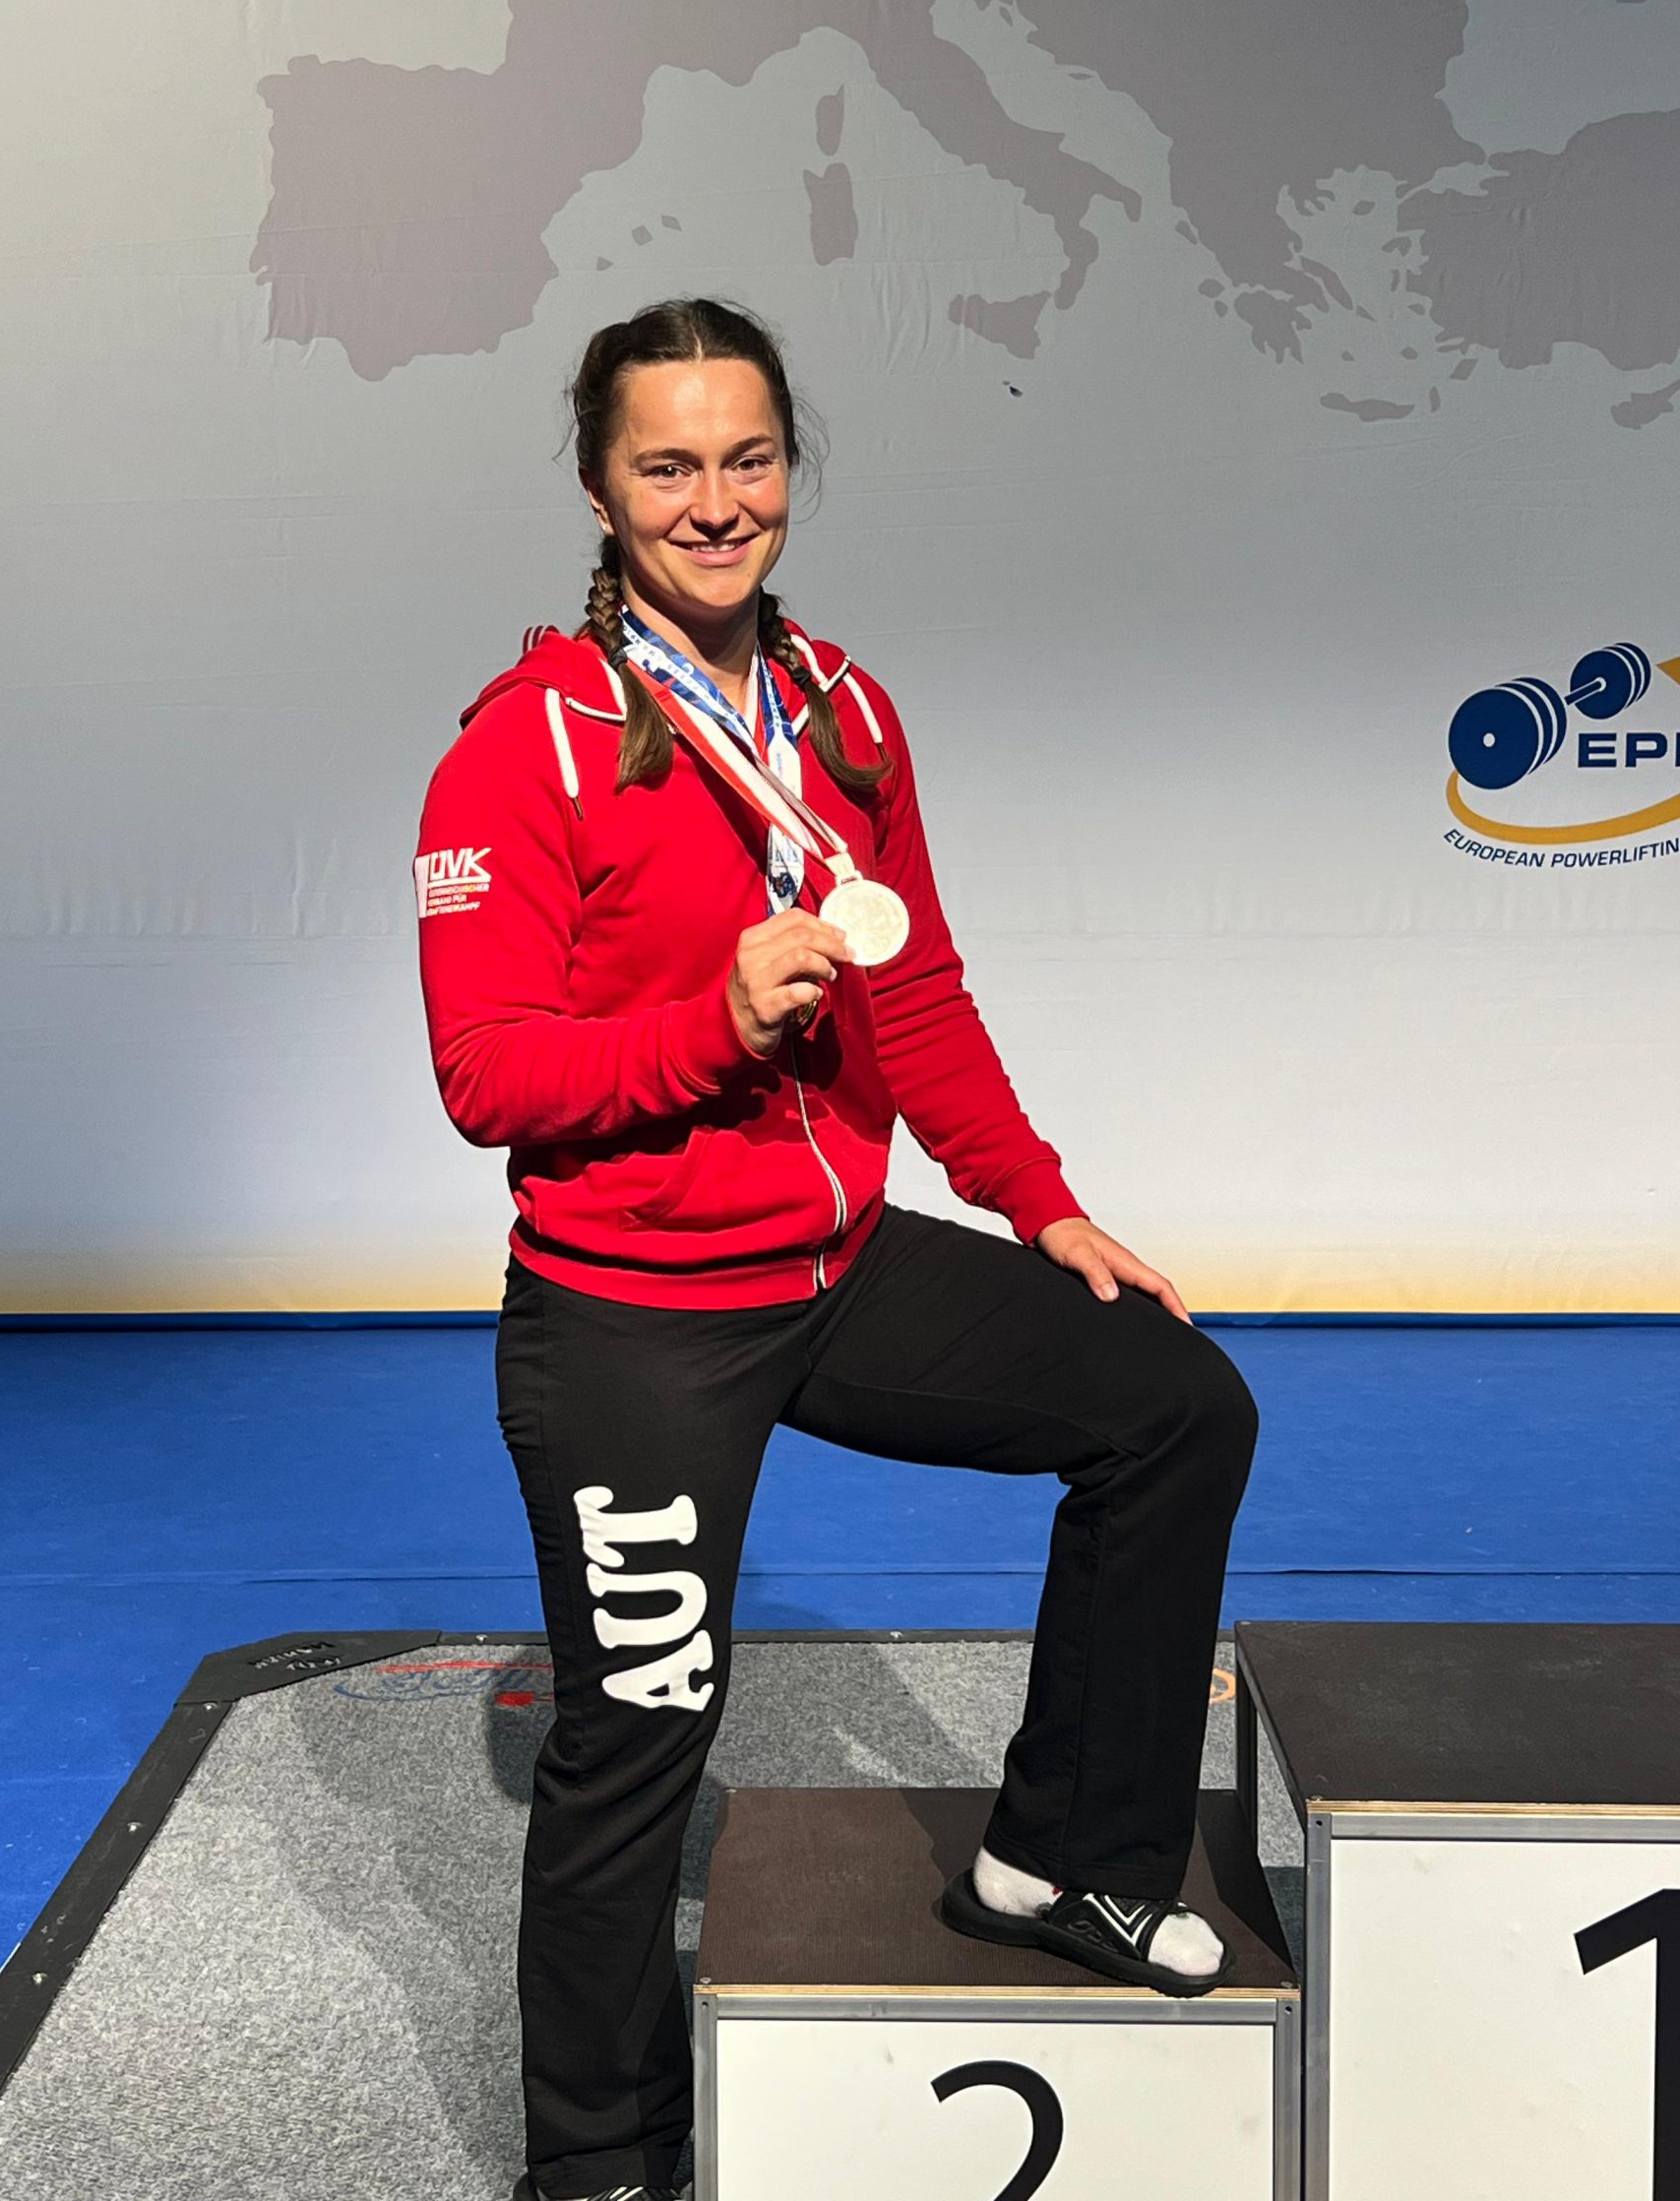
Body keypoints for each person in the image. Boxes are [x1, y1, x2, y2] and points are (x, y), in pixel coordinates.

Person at [413, 297, 1259, 2201]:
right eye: (668, 466)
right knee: (643, 1731)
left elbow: (918, 990)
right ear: (599, 488)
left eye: (749, 458)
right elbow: (488, 1075)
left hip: (836, 1265)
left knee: (1176, 1404)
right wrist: (712, 1024)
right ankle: (599, 2156)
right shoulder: (525, 748)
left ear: (791, 465)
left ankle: (1070, 1862)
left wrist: (1041, 1201)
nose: (715, 502)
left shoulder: (845, 712)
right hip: (634, 1319)